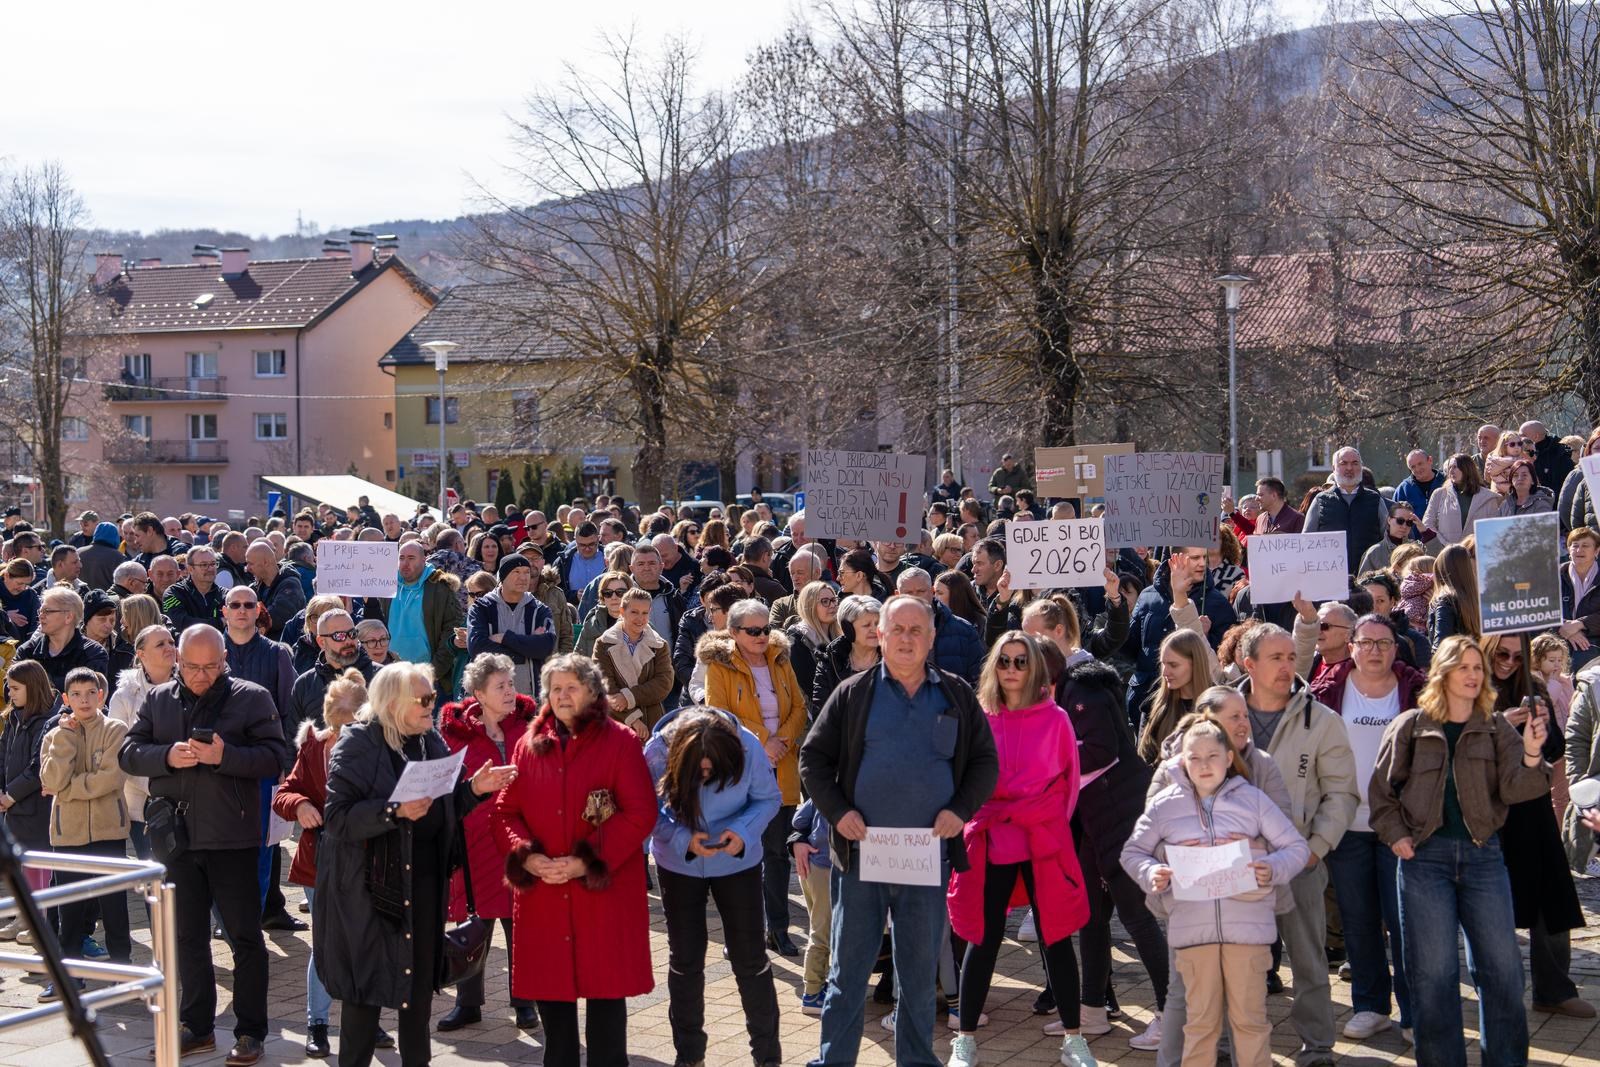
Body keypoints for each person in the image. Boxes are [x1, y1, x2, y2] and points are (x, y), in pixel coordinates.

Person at [799, 595, 1000, 1067]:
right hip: (863, 857)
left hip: (925, 859)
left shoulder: (955, 695)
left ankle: (916, 1061)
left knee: (916, 972)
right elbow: (813, 759)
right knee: (848, 972)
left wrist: (960, 809)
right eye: (898, 630)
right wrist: (837, 811)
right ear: (880, 636)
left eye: (917, 630)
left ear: (931, 639)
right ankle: (835, 1061)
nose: (907, 638)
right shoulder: (852, 693)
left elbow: (985, 762)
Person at [314, 661, 515, 1067]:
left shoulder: (430, 741)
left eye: (432, 698)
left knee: (418, 998)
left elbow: (441, 809)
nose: (431, 707)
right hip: (368, 895)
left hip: (422, 889)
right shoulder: (357, 744)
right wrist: (393, 812)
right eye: (422, 700)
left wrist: (474, 789)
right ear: (392, 703)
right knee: (364, 1000)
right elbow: (336, 818)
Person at [1369, 635, 1552, 1067]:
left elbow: (1518, 789)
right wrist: (1397, 835)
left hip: (1483, 858)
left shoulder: (1495, 725)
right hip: (1423, 861)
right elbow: (1381, 794)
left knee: (1503, 973)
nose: (1473, 675)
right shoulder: (1411, 725)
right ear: (1444, 672)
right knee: (1433, 977)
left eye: (1477, 668)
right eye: (1464, 666)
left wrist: (1530, 754)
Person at [118, 624, 290, 1065]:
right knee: (186, 937)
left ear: (224, 660)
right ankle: (196, 1026)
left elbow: (276, 756)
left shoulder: (252, 697)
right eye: (191, 667)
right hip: (177, 840)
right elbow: (129, 752)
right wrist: (166, 756)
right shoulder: (159, 699)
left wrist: (225, 756)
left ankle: (251, 1031)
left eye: (210, 666)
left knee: (246, 938)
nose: (200, 675)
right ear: (177, 662)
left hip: (233, 838)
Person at [489, 652, 656, 1067]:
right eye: (556, 689)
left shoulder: (620, 741)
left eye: (572, 688)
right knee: (555, 1016)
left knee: (605, 1011)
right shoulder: (528, 745)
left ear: (592, 691)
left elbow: (640, 813)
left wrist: (587, 861)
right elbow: (505, 813)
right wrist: (526, 857)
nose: (562, 696)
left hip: (602, 892)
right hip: (545, 893)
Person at [1122, 718, 1310, 1067]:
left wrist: (1274, 867)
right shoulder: (1165, 805)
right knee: (1200, 1026)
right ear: (1182, 762)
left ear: (1228, 758)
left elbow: (1295, 847)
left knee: (1250, 1024)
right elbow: (1132, 853)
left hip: (1249, 934)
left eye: (1213, 756)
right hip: (1194, 937)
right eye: (1194, 757)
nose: (1204, 764)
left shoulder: (1252, 800)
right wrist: (1152, 873)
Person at [946, 632, 1094, 1067]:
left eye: (1020, 662)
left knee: (1056, 936)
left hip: (1043, 837)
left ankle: (1073, 1038)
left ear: (1035, 669)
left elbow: (1068, 785)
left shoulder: (1057, 718)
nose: (1011, 670)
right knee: (984, 937)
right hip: (992, 837)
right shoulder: (980, 717)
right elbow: (966, 780)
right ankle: (965, 1039)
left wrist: (1036, 817)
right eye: (1004, 661)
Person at [1040, 604, 1166, 1049]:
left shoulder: (1083, 689)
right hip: (1091, 821)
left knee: (1136, 916)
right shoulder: (1063, 689)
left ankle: (1172, 1012)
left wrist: (1049, 762)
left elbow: (1102, 749)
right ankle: (1091, 1010)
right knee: (1090, 917)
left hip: (1119, 815)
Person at [1234, 623, 1359, 1066]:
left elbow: (1342, 792)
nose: (1288, 666)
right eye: (1276, 658)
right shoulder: (1220, 715)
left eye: (1291, 657)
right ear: (1248, 665)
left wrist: (1315, 847)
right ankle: (1234, 1047)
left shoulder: (1320, 719)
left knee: (1308, 962)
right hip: (1233, 865)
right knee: (1238, 966)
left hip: (1300, 862)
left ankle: (1318, 1047)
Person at [1306, 614, 1425, 1041]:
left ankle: (1414, 1012)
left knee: (1405, 921)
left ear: (1397, 648)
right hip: (1347, 824)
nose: (1374, 650)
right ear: (1351, 646)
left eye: (1384, 643)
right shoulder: (1326, 691)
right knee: (1358, 920)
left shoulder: (1416, 690)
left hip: (1400, 826)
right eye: (1366, 642)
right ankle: (1371, 1005)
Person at [645, 706, 783, 1067]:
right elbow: (646, 810)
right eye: (698, 772)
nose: (706, 777)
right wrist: (682, 837)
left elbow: (768, 798)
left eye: (714, 771)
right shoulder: (657, 751)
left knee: (750, 961)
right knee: (685, 961)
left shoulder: (749, 747)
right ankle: (689, 1057)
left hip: (739, 863)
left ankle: (767, 1058)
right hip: (678, 865)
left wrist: (743, 832)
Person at [1480, 634, 1593, 1019]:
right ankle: (1499, 992)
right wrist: (1499, 725)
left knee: (1553, 898)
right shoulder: (1469, 685)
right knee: (1493, 907)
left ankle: (1554, 988)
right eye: (1501, 654)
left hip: (1531, 810)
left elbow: (1555, 751)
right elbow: (1455, 744)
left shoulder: (1533, 687)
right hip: (1488, 811)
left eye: (1516, 655)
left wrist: (1542, 724)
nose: (1509, 662)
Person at [697, 598, 807, 955]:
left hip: (782, 766)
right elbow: (720, 714)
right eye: (753, 631)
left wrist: (783, 740)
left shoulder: (779, 657)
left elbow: (798, 707)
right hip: (743, 770)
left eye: (766, 629)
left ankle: (777, 928)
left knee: (776, 854)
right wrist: (764, 740)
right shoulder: (720, 665)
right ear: (733, 633)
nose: (762, 636)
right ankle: (741, 931)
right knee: (739, 852)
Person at [437, 653, 540, 1032]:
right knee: (474, 926)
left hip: (519, 839)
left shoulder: (531, 726)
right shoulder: (454, 734)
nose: (511, 691)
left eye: (511, 683)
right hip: (473, 841)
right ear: (479, 693)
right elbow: (445, 788)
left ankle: (524, 1001)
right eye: (501, 686)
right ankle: (468, 1004)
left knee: (521, 925)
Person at [39, 668, 131, 999]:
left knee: (115, 906)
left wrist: (69, 788)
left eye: (91, 693)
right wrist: (64, 737)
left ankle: (123, 971)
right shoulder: (54, 735)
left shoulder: (115, 730)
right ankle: (68, 977)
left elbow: (111, 778)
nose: (84, 700)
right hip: (67, 835)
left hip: (109, 831)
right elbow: (49, 780)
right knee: (68, 909)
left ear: (101, 695)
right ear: (65, 699)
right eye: (76, 694)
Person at [1126, 546, 1233, 719]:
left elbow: (1223, 664)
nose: (1202, 563)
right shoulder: (1147, 596)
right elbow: (1130, 648)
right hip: (1148, 704)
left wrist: (1202, 638)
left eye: (1203, 557)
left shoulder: (1217, 603)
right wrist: (1117, 607)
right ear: (1175, 559)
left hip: (1191, 708)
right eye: (1194, 558)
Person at [0, 660, 57, 916]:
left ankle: (38, 918)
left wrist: (10, 794)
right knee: (21, 864)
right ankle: (24, 915)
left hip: (35, 807)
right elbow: (2, 756)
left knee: (37, 865)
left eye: (14, 688)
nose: (9, 694)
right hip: (13, 807)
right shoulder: (13, 717)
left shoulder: (46, 721)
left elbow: (37, 767)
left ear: (32, 688)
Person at [379, 540, 464, 693]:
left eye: (411, 558)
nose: (405, 563)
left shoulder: (440, 587)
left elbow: (452, 630)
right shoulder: (386, 584)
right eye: (402, 558)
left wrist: (434, 670)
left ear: (424, 560)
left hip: (428, 678)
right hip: (391, 675)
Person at [467, 555, 556, 697]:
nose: (523, 577)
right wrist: (526, 651)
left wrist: (505, 638)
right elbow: (477, 648)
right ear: (503, 576)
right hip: (488, 699)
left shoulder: (540, 610)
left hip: (529, 697)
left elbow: (545, 647)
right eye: (516, 572)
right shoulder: (482, 608)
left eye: (527, 572)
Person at [289, 609, 377, 735]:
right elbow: (293, 741)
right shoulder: (304, 685)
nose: (348, 641)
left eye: (352, 633)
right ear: (321, 642)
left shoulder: (380, 677)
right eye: (339, 636)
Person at [1137, 629, 1218, 762]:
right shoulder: (1154, 707)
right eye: (1163, 664)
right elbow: (1144, 762)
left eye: (1173, 665)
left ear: (1195, 664)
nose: (1165, 672)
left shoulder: (1219, 705)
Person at [1304, 447, 1389, 573]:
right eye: (1343, 463)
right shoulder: (1321, 500)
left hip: (1368, 577)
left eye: (1355, 463)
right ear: (1334, 468)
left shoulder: (1375, 500)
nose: (1349, 468)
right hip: (1330, 577)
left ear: (1361, 467)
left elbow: (1388, 538)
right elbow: (1306, 541)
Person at [897, 567, 984, 686]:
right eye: (908, 593)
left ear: (932, 591)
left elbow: (979, 680)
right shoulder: (886, 631)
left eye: (921, 591)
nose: (915, 597)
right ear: (897, 594)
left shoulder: (964, 630)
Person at [16, 587, 109, 691]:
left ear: (68, 617)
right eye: (40, 611)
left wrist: (33, 685)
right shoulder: (27, 651)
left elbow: (87, 695)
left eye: (47, 611)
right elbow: (11, 689)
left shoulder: (93, 653)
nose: (41, 616)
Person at [809, 595, 881, 715]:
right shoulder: (829, 663)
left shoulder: (895, 660)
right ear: (848, 629)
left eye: (878, 624)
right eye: (867, 625)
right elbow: (822, 714)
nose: (875, 630)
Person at [1421, 453, 1500, 546]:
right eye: (1450, 467)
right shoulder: (1439, 494)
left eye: (1455, 467)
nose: (1451, 471)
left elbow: (1494, 530)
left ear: (1467, 469)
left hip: (1475, 554)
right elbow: (1427, 524)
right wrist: (1445, 545)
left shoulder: (1488, 498)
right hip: (1446, 553)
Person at [785, 581, 841, 705]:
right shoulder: (797, 639)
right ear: (809, 605)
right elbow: (811, 686)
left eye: (834, 600)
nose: (832, 605)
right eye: (825, 601)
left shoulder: (839, 636)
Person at [246, 539, 306, 641]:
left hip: (284, 650)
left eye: (250, 564)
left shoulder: (290, 585)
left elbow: (274, 618)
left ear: (265, 562)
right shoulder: (255, 588)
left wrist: (244, 619)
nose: (247, 568)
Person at [1560, 526, 1600, 671]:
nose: (1579, 550)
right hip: (1559, 637)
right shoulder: (1554, 575)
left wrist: (1580, 624)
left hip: (1594, 638)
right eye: (1575, 545)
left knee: (1583, 657)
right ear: (1568, 550)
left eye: (1585, 546)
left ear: (1596, 551)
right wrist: (1565, 628)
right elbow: (1542, 609)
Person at [1428, 543, 1481, 645]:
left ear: (1440, 569)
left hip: (1452, 659)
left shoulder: (1446, 600)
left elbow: (1441, 644)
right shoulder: (1477, 598)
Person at [163, 545, 225, 631]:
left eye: (213, 564)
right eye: (204, 565)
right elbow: (180, 624)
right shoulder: (173, 593)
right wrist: (219, 623)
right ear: (190, 569)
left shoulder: (225, 595)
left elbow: (232, 622)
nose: (210, 568)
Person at [1357, 501, 1425, 575]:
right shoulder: (1374, 552)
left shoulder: (1418, 548)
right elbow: (1362, 583)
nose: (1404, 526)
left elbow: (1436, 562)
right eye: (1400, 521)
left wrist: (1424, 531)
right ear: (1389, 520)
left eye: (1409, 522)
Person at [1523, 420, 1575, 494]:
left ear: (1536, 436)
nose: (1519, 439)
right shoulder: (1520, 453)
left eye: (1523, 435)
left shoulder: (1560, 456)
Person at [1394, 450, 1447, 517]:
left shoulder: (1447, 482)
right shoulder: (1404, 489)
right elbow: (1395, 517)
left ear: (1430, 460)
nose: (1418, 469)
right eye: (1413, 467)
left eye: (1420, 464)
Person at [78, 522, 128, 591]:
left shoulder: (79, 553)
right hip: (108, 599)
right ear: (115, 536)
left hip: (81, 597)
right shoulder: (119, 557)